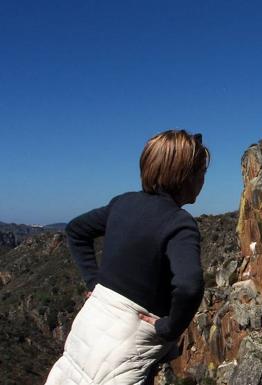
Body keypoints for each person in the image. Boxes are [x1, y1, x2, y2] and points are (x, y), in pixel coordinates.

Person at [45, 130, 209, 385]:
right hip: (126, 349)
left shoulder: (122, 203)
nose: (203, 180)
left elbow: (76, 230)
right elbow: (189, 285)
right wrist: (170, 328)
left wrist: (93, 282)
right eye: (201, 173)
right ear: (185, 176)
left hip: (88, 327)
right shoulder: (179, 223)